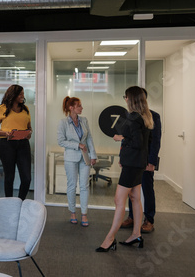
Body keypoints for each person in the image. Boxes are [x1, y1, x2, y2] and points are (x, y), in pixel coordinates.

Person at [96, 86, 153, 252]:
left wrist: (121, 137)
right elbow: (143, 144)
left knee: (118, 200)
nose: (125, 100)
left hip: (132, 165)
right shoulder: (146, 117)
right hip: (138, 163)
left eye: (126, 97)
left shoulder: (134, 118)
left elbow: (136, 143)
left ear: (132, 99)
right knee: (135, 197)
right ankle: (136, 234)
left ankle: (109, 239)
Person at [121, 88, 162, 233]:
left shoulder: (154, 116)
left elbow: (155, 141)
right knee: (132, 191)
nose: (125, 99)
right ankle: (132, 217)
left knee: (147, 189)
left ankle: (149, 220)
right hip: (132, 160)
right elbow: (127, 138)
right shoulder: (131, 116)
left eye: (126, 97)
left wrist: (151, 162)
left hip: (145, 161)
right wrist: (122, 157)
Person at [57, 96, 97, 227]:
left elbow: (89, 138)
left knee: (84, 186)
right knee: (72, 185)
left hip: (85, 157)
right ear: (71, 108)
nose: (82, 108)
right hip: (71, 157)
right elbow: (61, 141)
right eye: (79, 106)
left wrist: (93, 155)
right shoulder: (63, 123)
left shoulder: (84, 121)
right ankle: (72, 212)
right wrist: (77, 145)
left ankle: (84, 214)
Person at [0, 84, 32, 200]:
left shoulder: (26, 109)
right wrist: (6, 133)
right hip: (6, 145)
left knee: (27, 178)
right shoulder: (2, 109)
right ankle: (9, 204)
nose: (22, 96)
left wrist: (29, 133)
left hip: (23, 144)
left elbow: (29, 127)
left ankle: (20, 201)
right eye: (20, 94)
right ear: (13, 95)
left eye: (23, 94)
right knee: (9, 177)